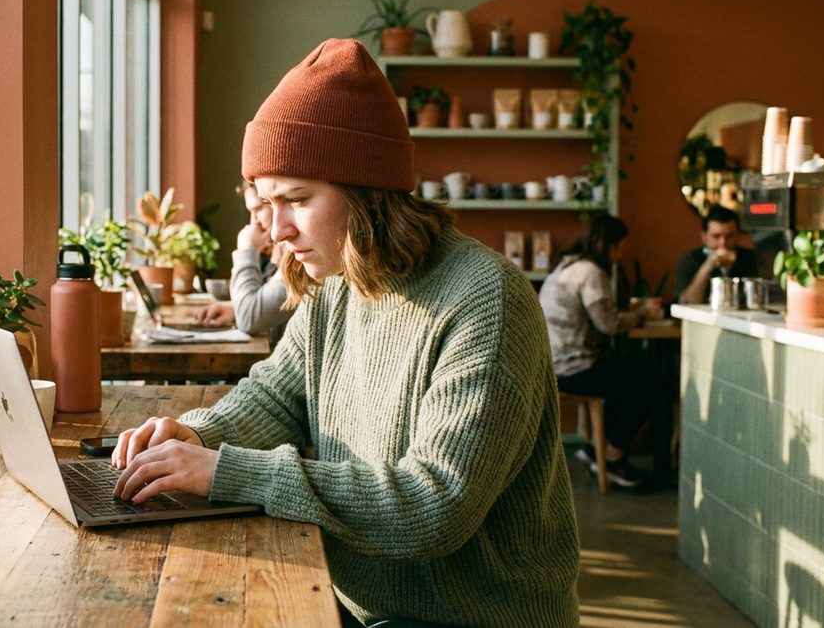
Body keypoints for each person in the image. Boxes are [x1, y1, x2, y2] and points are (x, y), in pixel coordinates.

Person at [109, 38, 579, 626]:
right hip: (356, 605)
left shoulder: (486, 298)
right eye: (266, 202)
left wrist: (226, 471)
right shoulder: (338, 279)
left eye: (297, 200)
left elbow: (435, 505)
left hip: (468, 618)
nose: (275, 230)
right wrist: (195, 436)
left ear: (365, 192)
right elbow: (277, 395)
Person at [538, 213, 663, 489]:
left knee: (625, 375)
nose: (619, 255)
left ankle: (597, 450)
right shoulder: (591, 272)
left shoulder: (565, 266)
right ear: (607, 245)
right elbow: (610, 325)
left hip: (551, 365)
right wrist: (644, 311)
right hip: (572, 368)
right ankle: (613, 456)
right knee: (647, 381)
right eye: (618, 248)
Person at [193, 181, 293, 335]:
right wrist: (235, 308)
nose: (253, 221)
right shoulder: (281, 250)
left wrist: (246, 250)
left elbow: (248, 319)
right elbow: (254, 308)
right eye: (250, 212)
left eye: (258, 209)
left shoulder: (299, 257)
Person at [674, 204, 759, 304]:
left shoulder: (751, 258)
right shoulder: (690, 260)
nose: (723, 243)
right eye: (716, 236)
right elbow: (688, 302)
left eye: (729, 236)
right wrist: (708, 266)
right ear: (704, 237)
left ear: (738, 235)